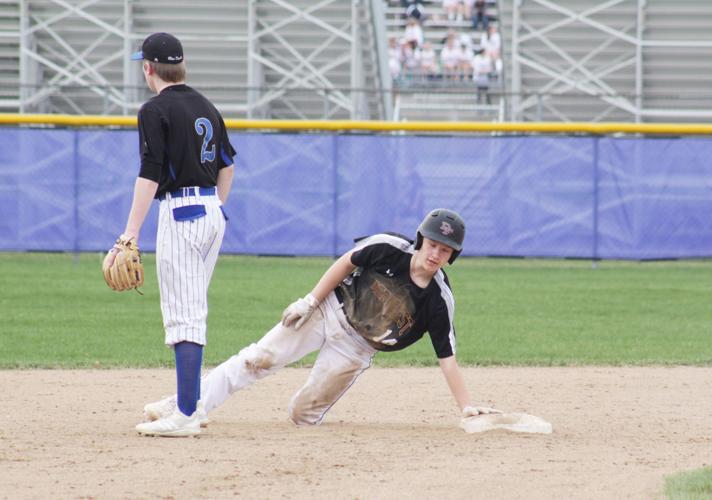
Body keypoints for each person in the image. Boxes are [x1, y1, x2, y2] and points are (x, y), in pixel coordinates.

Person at [141, 209, 501, 430]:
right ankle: (185, 404)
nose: (436, 253)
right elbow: (347, 261)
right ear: (421, 240)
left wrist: (465, 406)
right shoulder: (389, 246)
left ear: (453, 255)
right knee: (258, 358)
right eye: (433, 244)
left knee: (302, 416)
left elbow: (446, 357)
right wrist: (310, 301)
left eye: (446, 249)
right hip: (329, 309)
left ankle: (305, 419)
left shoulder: (439, 299)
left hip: (357, 347)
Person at [108, 32, 236, 437]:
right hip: (212, 211)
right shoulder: (208, 106)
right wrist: (216, 207)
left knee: (184, 315)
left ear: (148, 68)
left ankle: (185, 414)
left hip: (180, 213)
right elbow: (227, 166)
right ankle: (191, 401)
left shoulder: (153, 109)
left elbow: (150, 173)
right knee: (192, 306)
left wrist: (130, 233)